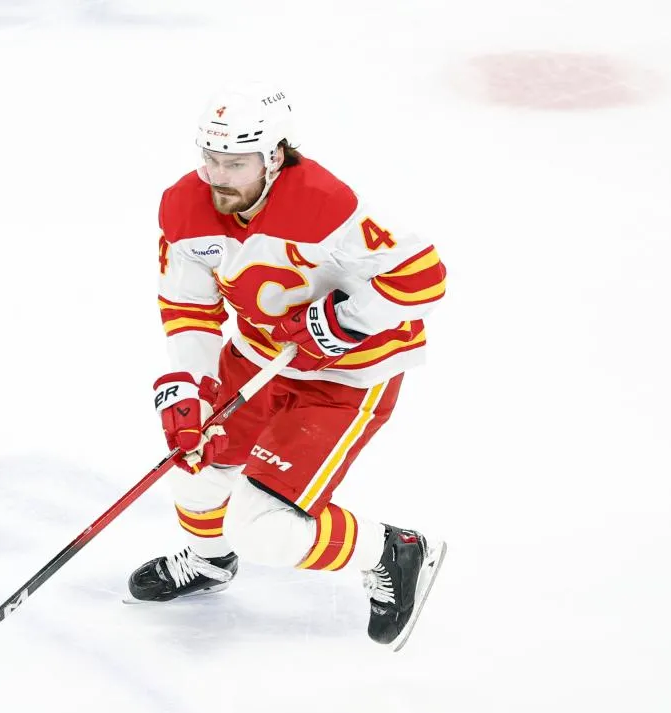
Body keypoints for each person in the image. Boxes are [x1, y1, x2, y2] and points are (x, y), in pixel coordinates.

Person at [127, 82, 448, 650]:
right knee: (192, 465)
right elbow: (187, 305)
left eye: (237, 162)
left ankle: (394, 550)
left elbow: (422, 277)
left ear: (274, 155)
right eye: (211, 159)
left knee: (263, 531)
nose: (219, 176)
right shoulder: (184, 204)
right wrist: (190, 388)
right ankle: (209, 562)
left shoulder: (325, 204)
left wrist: (342, 322)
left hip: (347, 378)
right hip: (257, 361)